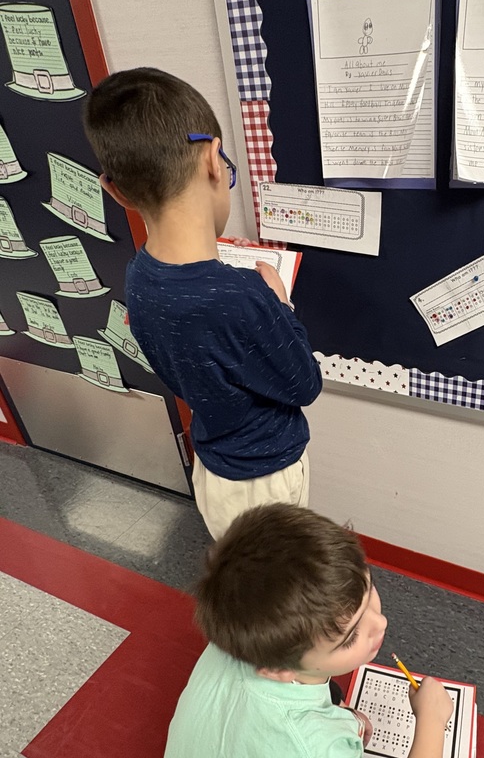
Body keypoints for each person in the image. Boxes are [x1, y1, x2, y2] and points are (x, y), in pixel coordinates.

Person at [162, 503, 484, 758]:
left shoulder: (240, 638)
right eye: (350, 637)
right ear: (278, 668)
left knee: (333, 693)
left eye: (368, 589)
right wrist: (430, 724)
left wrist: (338, 715)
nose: (380, 623)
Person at [82, 68, 322, 539]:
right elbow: (304, 384)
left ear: (115, 190)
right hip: (266, 478)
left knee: (243, 575)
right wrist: (280, 305)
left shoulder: (140, 276)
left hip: (211, 467)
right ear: (215, 161)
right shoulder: (244, 296)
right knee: (280, 592)